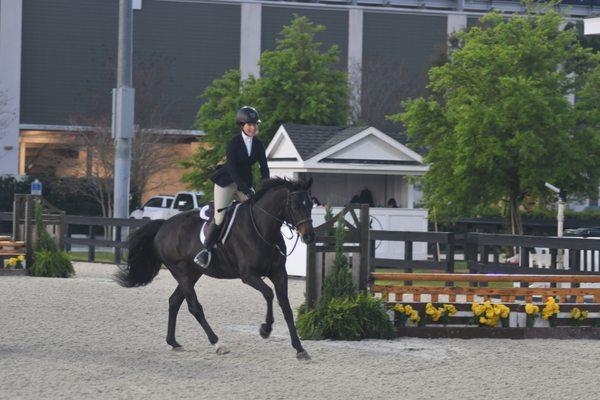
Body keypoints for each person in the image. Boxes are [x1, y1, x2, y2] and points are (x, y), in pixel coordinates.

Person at [194, 106, 270, 268]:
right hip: (227, 182)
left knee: (256, 210)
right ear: (242, 125)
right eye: (249, 124)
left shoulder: (258, 144)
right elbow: (233, 170)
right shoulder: (233, 143)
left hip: (245, 183)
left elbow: (264, 168)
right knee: (220, 217)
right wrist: (245, 188)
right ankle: (205, 251)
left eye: (255, 124)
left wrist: (266, 186)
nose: (252, 127)